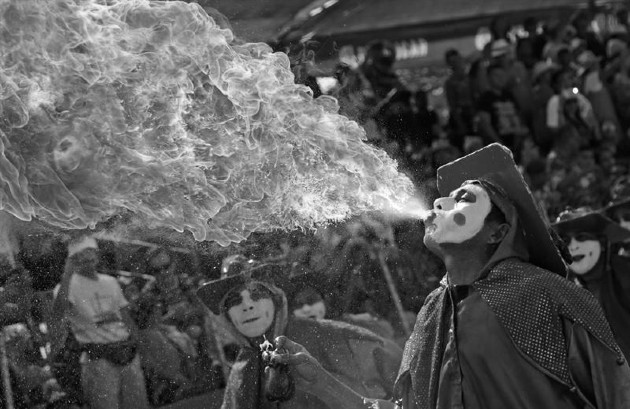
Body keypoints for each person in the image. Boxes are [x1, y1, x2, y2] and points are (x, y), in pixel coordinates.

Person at [271, 143, 630, 409]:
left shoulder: (547, 293)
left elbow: (616, 391)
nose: (440, 203)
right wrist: (321, 382)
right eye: (444, 198)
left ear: (497, 232)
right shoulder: (432, 312)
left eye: (463, 199)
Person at [196, 263, 402, 409]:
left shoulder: (333, 336)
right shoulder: (242, 369)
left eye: (257, 295)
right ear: (227, 317)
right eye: (234, 300)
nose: (247, 305)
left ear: (277, 300)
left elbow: (399, 381)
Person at [51, 236, 148, 409]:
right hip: (99, 357)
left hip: (127, 351)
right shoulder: (67, 286)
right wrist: (67, 275)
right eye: (82, 255)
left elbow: (125, 316)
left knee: (138, 404)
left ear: (96, 254)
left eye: (91, 253)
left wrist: (139, 345)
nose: (88, 259)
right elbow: (58, 313)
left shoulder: (110, 281)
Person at [552, 207, 630, 361]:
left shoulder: (625, 272)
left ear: (601, 243)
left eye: (581, 237)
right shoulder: (564, 293)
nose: (573, 246)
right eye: (565, 241)